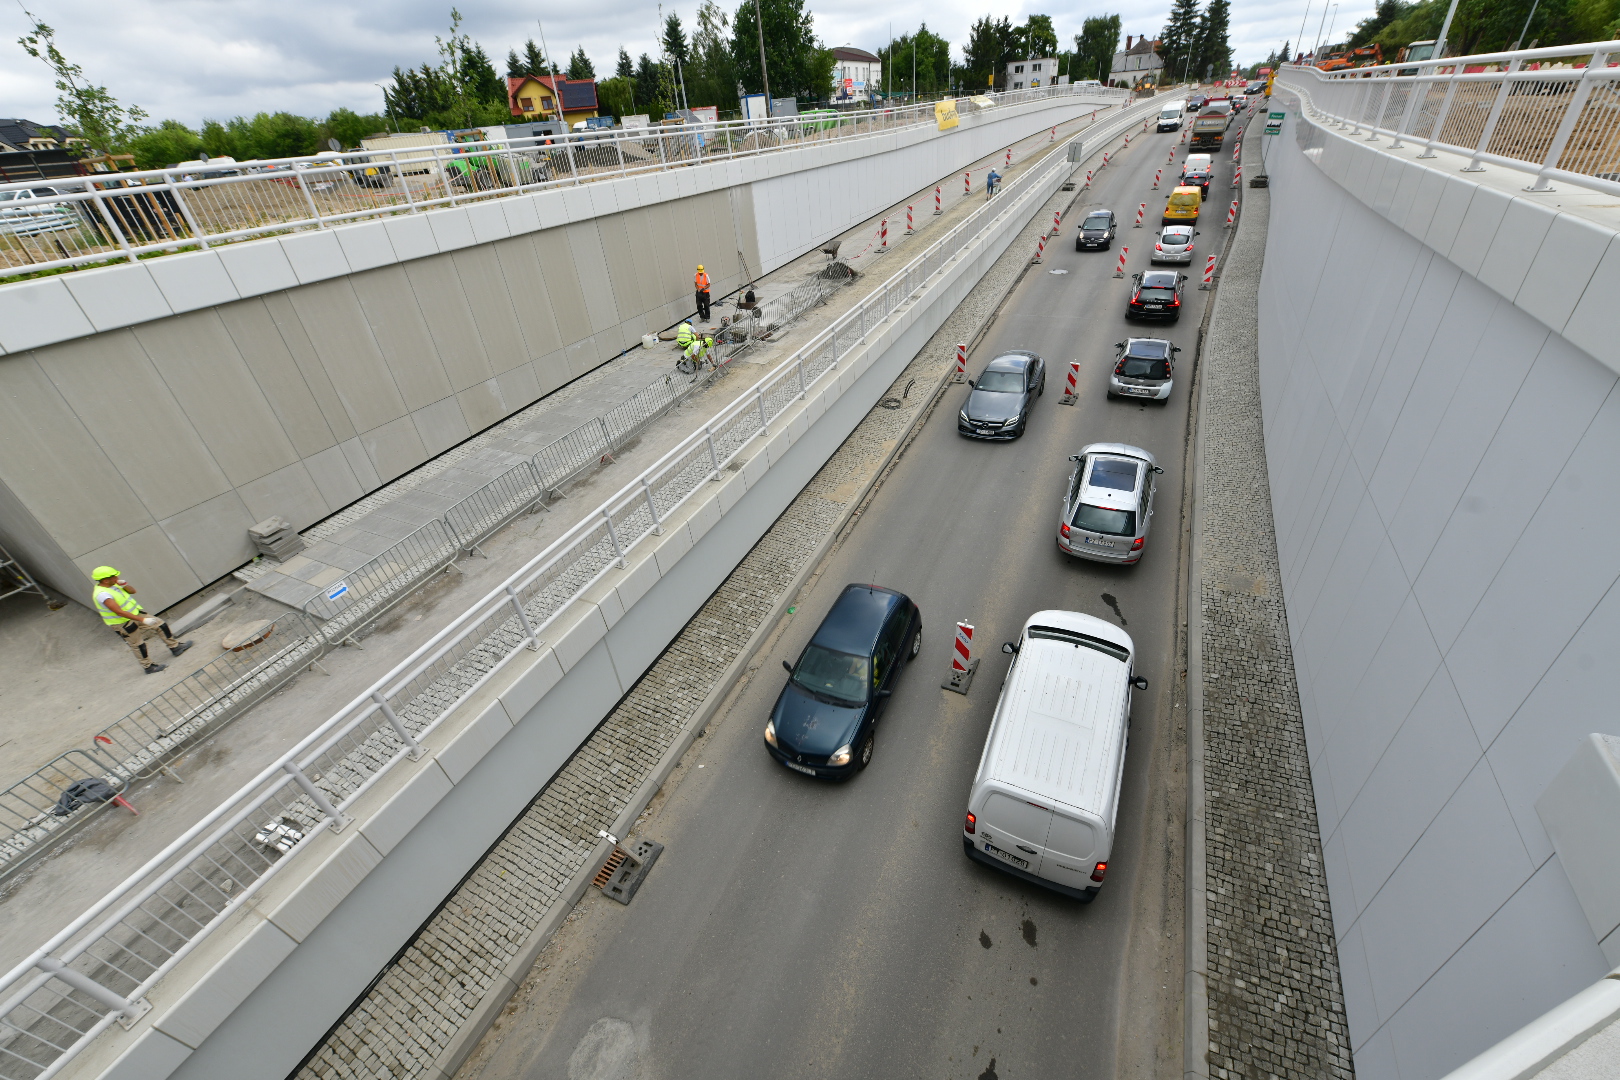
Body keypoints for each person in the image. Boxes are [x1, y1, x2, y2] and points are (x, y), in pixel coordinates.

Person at [91, 567, 191, 675]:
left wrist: (124, 585)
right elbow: (119, 612)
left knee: (160, 625)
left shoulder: (113, 585)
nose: (117, 577)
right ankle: (148, 667)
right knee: (138, 645)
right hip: (123, 623)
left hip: (135, 614)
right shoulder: (102, 595)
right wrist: (143, 619)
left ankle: (175, 647)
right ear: (105, 580)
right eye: (114, 576)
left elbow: (133, 591)